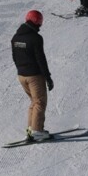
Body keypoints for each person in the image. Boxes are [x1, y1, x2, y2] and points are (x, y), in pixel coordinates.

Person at [11, 10, 54, 142]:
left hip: (21, 76)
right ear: (38, 22)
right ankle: (37, 132)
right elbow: (41, 60)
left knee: (34, 102)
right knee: (40, 102)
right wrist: (48, 77)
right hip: (34, 76)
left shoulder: (15, 37)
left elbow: (14, 57)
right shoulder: (36, 38)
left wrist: (21, 70)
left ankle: (31, 129)